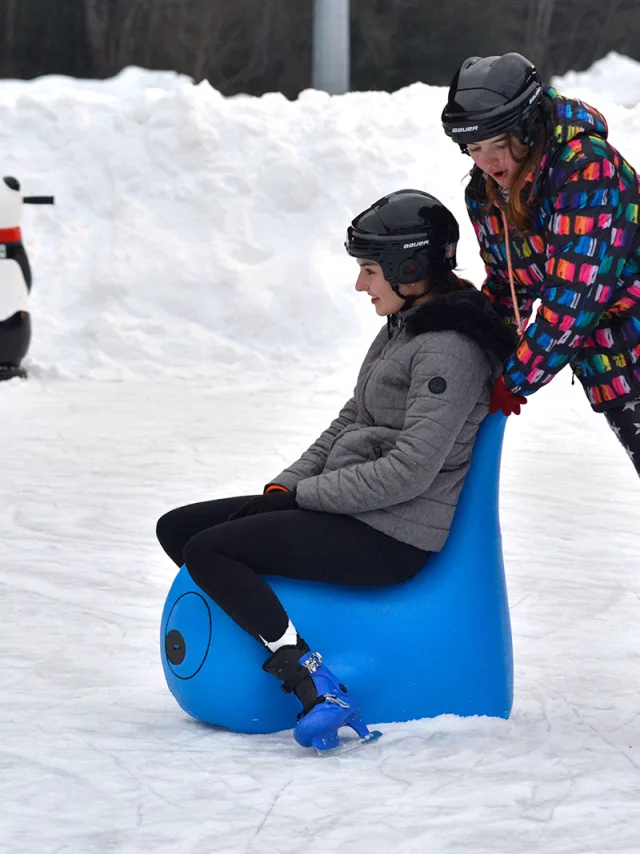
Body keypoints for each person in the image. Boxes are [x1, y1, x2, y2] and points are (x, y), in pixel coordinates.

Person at [156, 189, 516, 752]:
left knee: (210, 551)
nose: (360, 286)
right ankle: (276, 625)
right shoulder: (406, 326)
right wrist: (286, 486)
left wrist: (308, 499)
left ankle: (313, 683)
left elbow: (409, 471)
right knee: (178, 528)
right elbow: (352, 418)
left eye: (369, 271)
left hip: (390, 533)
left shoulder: (448, 349)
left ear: (409, 267)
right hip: (351, 508)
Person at [441, 52, 640, 475]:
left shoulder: (587, 169)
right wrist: (478, 357)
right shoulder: (487, 195)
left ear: (529, 129)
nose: (488, 163)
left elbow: (573, 300)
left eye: (498, 144)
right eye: (474, 148)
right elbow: (506, 287)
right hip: (616, 368)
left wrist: (513, 379)